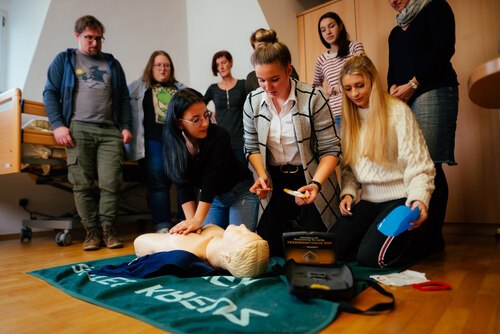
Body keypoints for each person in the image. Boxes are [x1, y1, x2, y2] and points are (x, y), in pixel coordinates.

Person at [243, 31, 341, 257]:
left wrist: (316, 184)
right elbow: (251, 147)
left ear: (288, 70)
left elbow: (331, 149)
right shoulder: (253, 101)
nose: (267, 87)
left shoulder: (313, 97)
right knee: (270, 249)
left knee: (317, 249)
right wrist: (261, 175)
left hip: (310, 179)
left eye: (274, 79)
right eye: (261, 80)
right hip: (274, 181)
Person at [336, 54, 435, 268]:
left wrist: (419, 199)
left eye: (360, 85)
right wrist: (348, 192)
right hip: (369, 201)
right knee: (332, 250)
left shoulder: (398, 111)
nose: (355, 93)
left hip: (401, 198)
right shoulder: (348, 120)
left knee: (371, 258)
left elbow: (419, 165)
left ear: (372, 80)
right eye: (348, 88)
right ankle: (373, 240)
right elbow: (349, 169)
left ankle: (420, 239)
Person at [43, 15, 131, 251]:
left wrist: (125, 126)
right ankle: (91, 233)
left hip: (109, 131)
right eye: (89, 38)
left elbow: (123, 98)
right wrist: (57, 124)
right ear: (78, 36)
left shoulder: (112, 64)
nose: (94, 43)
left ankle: (108, 230)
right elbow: (50, 92)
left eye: (98, 38)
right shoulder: (65, 60)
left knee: (111, 183)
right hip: (78, 128)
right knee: (81, 184)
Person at [387, 0, 459, 253]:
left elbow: (443, 50)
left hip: (433, 90)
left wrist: (415, 83)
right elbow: (392, 70)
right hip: (405, 98)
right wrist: (392, 89)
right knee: (412, 164)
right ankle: (417, 234)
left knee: (430, 164)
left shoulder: (435, 7)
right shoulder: (395, 33)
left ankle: (432, 239)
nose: (393, 1)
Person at [163, 88, 259, 234]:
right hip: (213, 199)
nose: (205, 123)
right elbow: (182, 184)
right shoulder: (174, 146)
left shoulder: (219, 136)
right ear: (179, 123)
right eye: (196, 120)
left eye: (206, 115)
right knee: (204, 241)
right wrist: (191, 222)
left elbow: (210, 180)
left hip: (240, 193)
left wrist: (197, 220)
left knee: (236, 243)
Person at [127, 51, 185, 233]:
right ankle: (163, 226)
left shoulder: (180, 89)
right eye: (158, 65)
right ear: (151, 67)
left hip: (177, 142)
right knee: (158, 182)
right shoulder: (137, 87)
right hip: (152, 142)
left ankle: (185, 223)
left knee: (183, 180)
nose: (163, 69)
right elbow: (122, 108)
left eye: (166, 65)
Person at [134, 224, 270, 278]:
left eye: (242, 234)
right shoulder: (222, 240)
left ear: (227, 256)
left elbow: (139, 242)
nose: (243, 226)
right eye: (249, 231)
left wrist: (168, 239)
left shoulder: (185, 248)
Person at [313, 12, 365, 131]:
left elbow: (364, 73)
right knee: (344, 149)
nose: (328, 32)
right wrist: (327, 91)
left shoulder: (354, 47)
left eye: (331, 26)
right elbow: (315, 88)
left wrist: (339, 88)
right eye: (323, 30)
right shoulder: (321, 60)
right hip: (336, 114)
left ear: (340, 26)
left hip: (358, 108)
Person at [204, 50, 247, 162]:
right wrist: (208, 113)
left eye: (223, 62)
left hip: (240, 139)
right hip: (220, 139)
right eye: (218, 65)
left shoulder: (243, 85)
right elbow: (199, 104)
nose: (221, 67)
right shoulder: (213, 88)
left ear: (231, 62)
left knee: (241, 173)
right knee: (223, 175)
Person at [245, 28, 299, 94]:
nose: (268, 88)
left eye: (275, 79)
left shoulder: (286, 69)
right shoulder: (251, 79)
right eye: (262, 80)